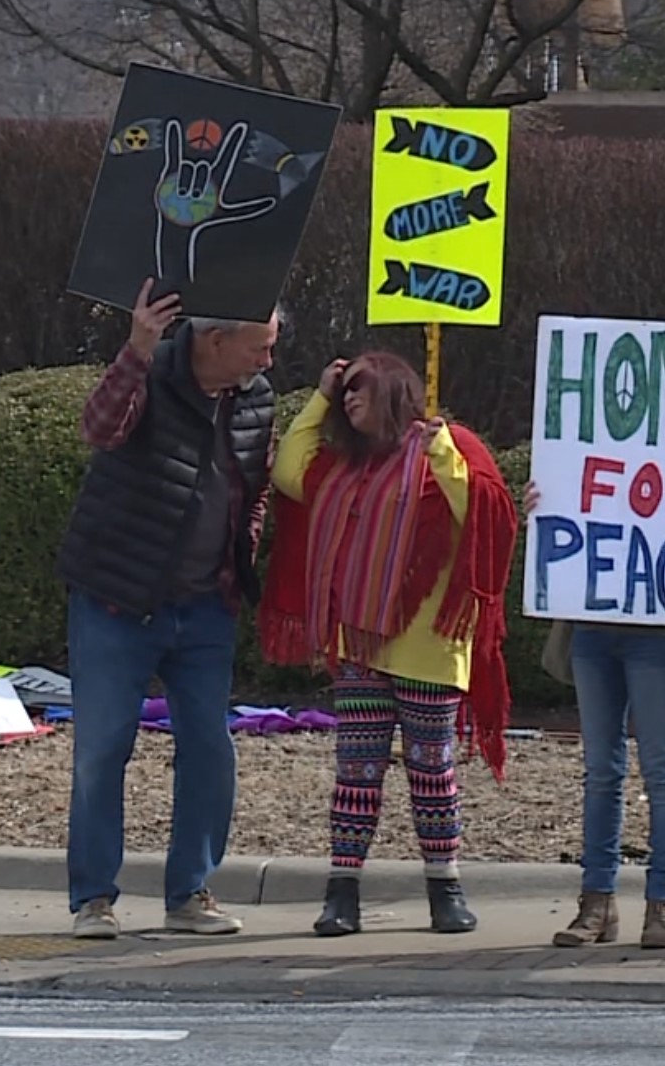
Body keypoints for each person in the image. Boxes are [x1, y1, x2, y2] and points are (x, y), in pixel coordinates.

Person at [257, 352, 519, 937]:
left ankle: (445, 889)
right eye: (345, 393)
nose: (349, 400)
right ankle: (341, 893)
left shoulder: (449, 446)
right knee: (356, 772)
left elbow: (485, 510)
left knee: (432, 773)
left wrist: (442, 454)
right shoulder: (341, 464)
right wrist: (319, 396)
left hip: (429, 646)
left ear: (395, 393)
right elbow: (288, 470)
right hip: (359, 647)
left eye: (359, 390)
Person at [55, 279, 278, 940]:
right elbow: (98, 428)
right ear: (214, 340)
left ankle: (191, 892)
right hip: (118, 599)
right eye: (258, 348)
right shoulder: (150, 373)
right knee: (102, 748)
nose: (266, 363)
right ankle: (93, 898)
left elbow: (256, 483)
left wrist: (243, 556)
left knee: (210, 748)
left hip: (207, 603)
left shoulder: (255, 399)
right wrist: (135, 348)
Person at [521, 462, 665, 950]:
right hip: (592, 629)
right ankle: (596, 903)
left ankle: (663, 900)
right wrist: (543, 510)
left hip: (660, 636)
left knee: (661, 769)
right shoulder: (584, 452)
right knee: (601, 770)